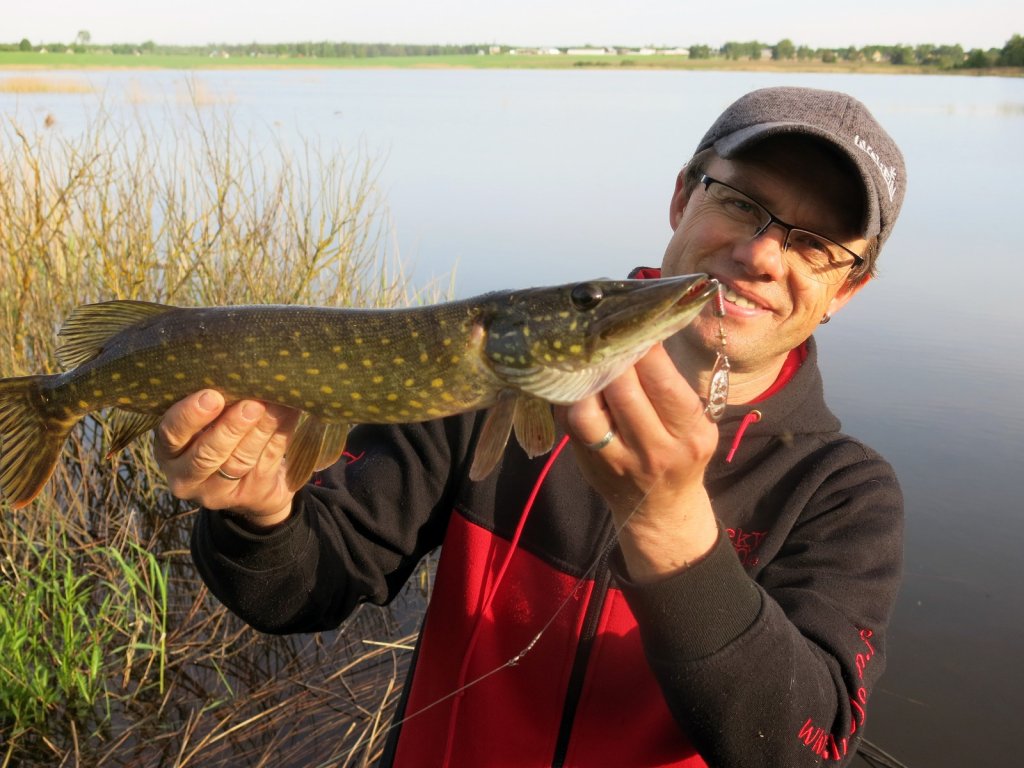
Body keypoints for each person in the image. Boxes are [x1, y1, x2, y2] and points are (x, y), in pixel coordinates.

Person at [156, 87, 906, 767]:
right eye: (742, 203)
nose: (762, 255)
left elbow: (804, 748)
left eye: (817, 244)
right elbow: (302, 590)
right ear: (683, 196)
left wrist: (672, 527)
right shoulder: (488, 378)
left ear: (848, 289)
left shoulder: (842, 494)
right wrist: (258, 513)